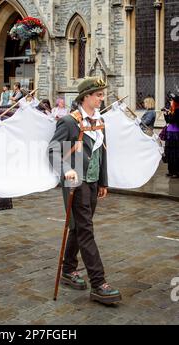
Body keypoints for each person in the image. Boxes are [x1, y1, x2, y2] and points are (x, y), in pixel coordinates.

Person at [48, 76, 121, 305]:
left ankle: (68, 269)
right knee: (86, 229)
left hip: (92, 183)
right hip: (76, 184)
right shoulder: (69, 122)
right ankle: (99, 283)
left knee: (80, 227)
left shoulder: (100, 121)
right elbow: (52, 151)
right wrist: (66, 170)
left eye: (102, 94)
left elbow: (102, 154)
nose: (102, 98)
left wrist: (103, 182)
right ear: (86, 96)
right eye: (98, 94)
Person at [163, 93, 179, 178]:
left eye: (172, 101)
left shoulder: (177, 111)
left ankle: (176, 172)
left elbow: (172, 121)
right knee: (169, 152)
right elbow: (168, 121)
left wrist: (169, 113)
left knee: (175, 153)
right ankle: (171, 170)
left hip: (175, 134)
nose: (171, 102)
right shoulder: (173, 110)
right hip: (170, 133)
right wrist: (166, 113)